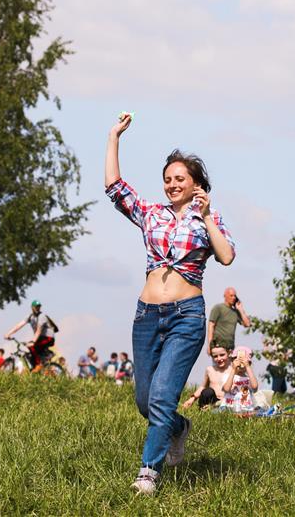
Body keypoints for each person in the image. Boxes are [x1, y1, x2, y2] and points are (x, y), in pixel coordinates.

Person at [105, 112, 235, 495]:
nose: (172, 184)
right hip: (146, 316)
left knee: (163, 396)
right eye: (167, 179)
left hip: (186, 317)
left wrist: (208, 216)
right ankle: (179, 427)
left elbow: (226, 256)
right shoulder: (151, 215)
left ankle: (149, 472)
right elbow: (114, 188)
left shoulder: (207, 219)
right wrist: (114, 136)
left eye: (180, 179)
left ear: (196, 184)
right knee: (146, 402)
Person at [3, 300, 59, 373]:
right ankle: (39, 366)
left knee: (31, 346)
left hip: (48, 338)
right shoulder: (30, 316)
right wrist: (8, 333)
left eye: (39, 307)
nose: (37, 308)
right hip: (40, 338)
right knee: (30, 350)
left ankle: (39, 364)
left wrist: (33, 342)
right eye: (36, 307)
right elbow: (18, 326)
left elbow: (38, 331)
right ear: (32, 307)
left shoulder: (42, 316)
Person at [206, 287, 251, 355]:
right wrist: (209, 345)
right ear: (225, 296)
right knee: (219, 365)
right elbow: (211, 325)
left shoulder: (235, 312)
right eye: (231, 295)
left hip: (230, 347)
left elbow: (247, 324)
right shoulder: (218, 308)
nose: (233, 298)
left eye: (235, 296)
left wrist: (240, 309)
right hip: (218, 345)